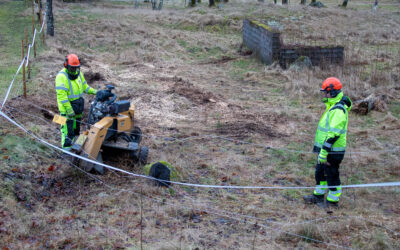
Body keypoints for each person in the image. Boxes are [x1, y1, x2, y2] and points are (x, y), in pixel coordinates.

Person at [303, 77, 352, 207]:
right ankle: (318, 196)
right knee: (320, 172)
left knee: (331, 175)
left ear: (333, 92)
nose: (324, 94)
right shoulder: (332, 106)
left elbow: (333, 135)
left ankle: (332, 202)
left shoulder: (338, 110)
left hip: (332, 151)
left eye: (326, 92)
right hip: (326, 150)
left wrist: (324, 153)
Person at [55, 54, 97, 149]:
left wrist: (96, 92)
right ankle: (67, 152)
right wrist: (69, 110)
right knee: (67, 131)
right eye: (72, 68)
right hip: (67, 109)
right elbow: (62, 96)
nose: (74, 70)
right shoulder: (61, 77)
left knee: (76, 129)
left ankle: (76, 146)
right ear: (66, 65)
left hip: (78, 106)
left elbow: (85, 87)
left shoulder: (79, 74)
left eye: (76, 68)